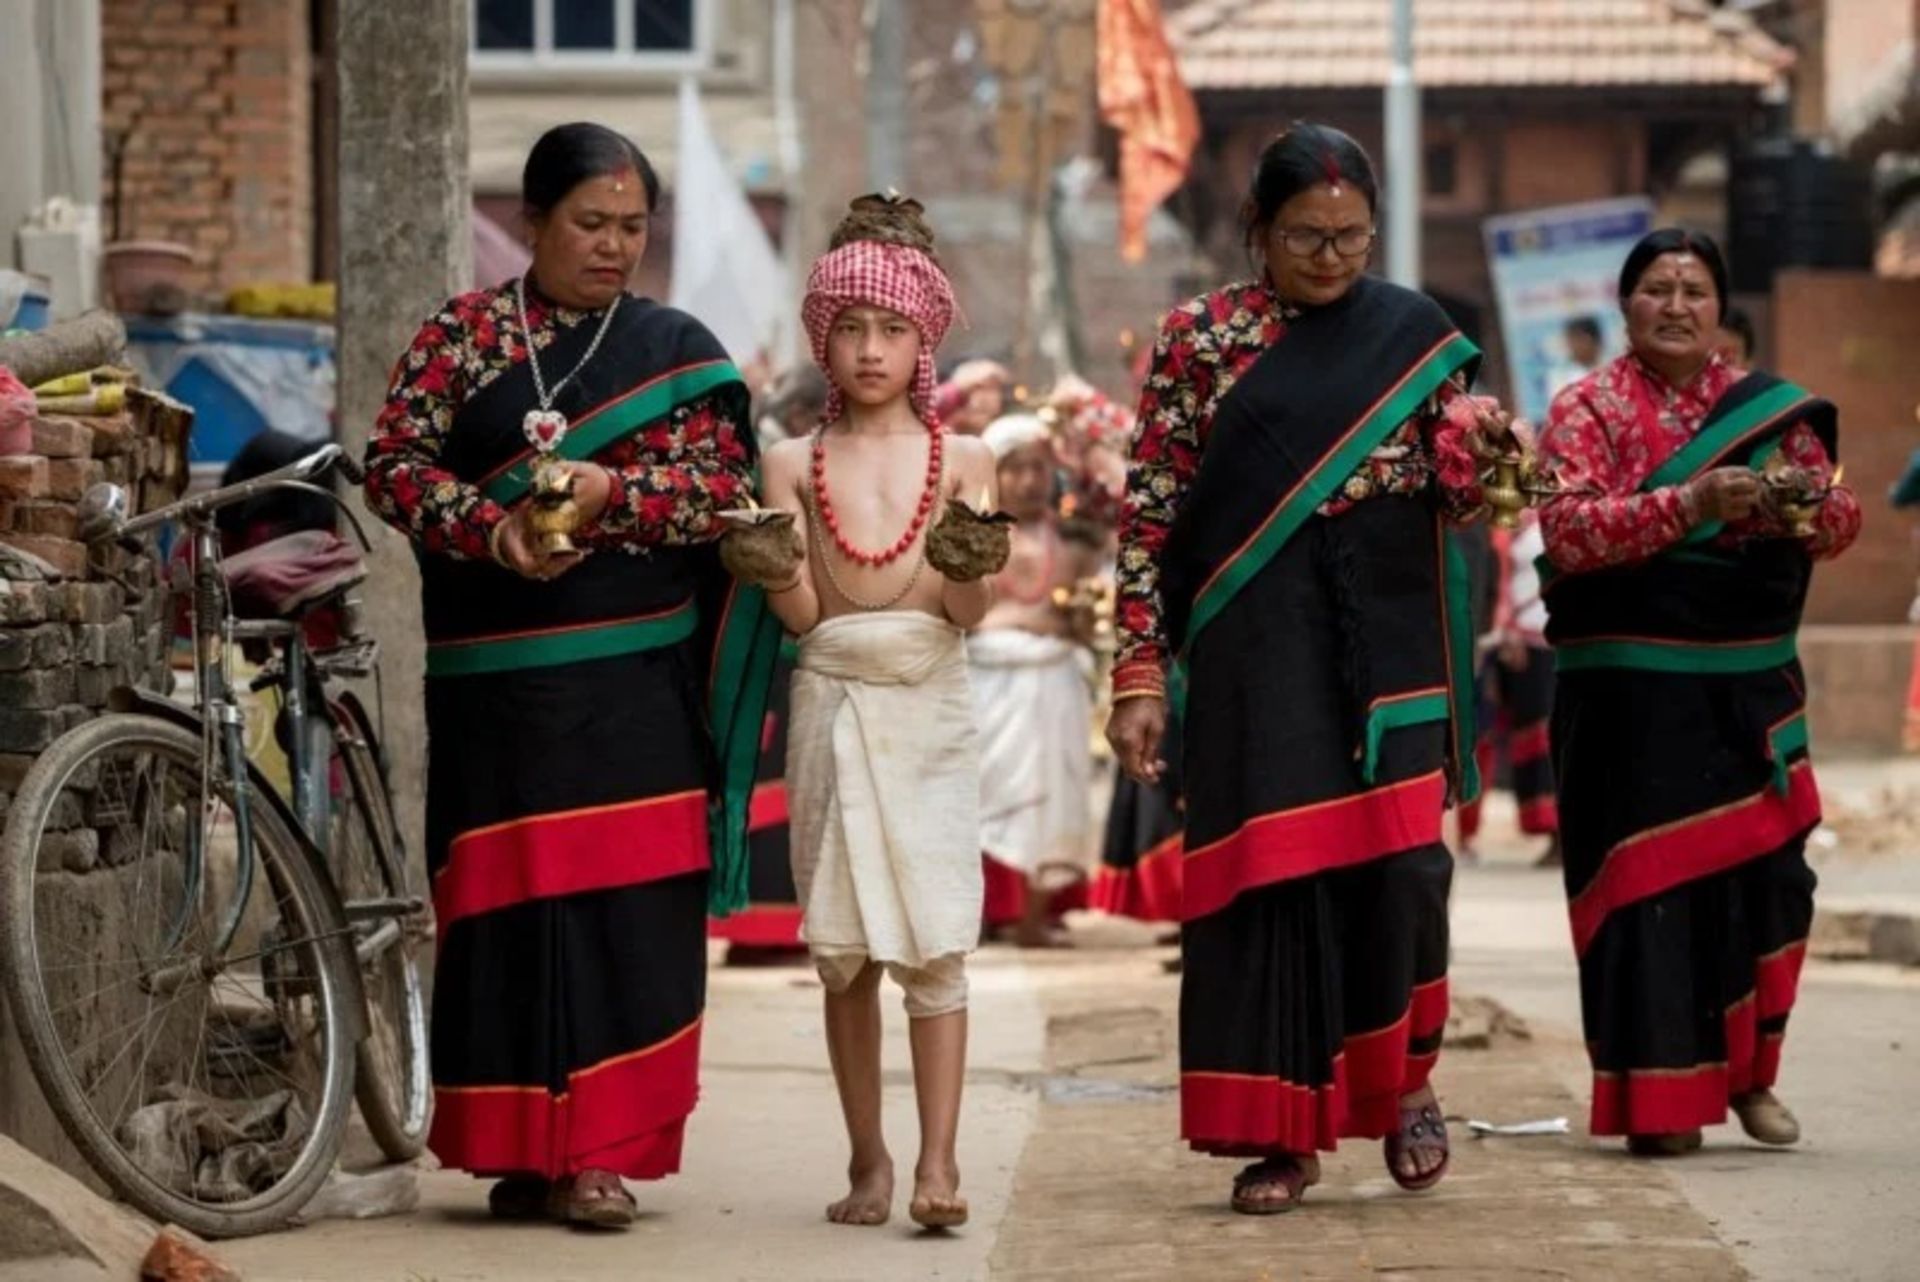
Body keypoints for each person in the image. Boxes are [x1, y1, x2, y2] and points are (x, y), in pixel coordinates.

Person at [361, 122, 778, 1228]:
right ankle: (516, 1143)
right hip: (497, 692)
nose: (612, 246)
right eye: (589, 223)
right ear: (533, 223)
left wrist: (609, 497)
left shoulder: (676, 345)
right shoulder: (462, 338)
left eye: (633, 225)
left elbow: (720, 492)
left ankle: (601, 1151)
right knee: (507, 910)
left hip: (635, 689)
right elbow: (393, 464)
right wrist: (494, 532)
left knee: (626, 909)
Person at [1104, 123, 1516, 1214]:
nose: (1332, 259)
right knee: (1269, 883)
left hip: (1389, 647)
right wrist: (1139, 672)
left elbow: (1465, 496)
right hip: (1252, 650)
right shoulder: (1198, 340)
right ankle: (1279, 1132)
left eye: (1352, 238)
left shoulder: (1415, 335)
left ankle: (1405, 1083)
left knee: (1401, 881)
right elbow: (1149, 517)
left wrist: (1485, 461)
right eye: (1305, 237)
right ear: (1257, 231)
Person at [1537, 228, 1860, 1157]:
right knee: (1648, 900)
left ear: (1721, 310)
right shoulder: (1586, 409)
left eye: (1695, 290)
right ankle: (1660, 1100)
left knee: (1772, 887)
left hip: (1747, 689)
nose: (1676, 305)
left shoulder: (1768, 412)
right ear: (1625, 302)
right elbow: (1567, 533)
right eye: (1657, 289)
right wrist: (1692, 507)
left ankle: (1753, 1078)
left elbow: (1841, 521)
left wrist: (1800, 504)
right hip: (1628, 701)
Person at [731, 192, 1000, 1231]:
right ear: (823, 340)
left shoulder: (963, 459)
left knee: (936, 942)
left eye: (892, 329)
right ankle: (868, 1160)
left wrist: (972, 567)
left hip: (929, 699)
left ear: (924, 340)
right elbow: (806, 614)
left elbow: (966, 611)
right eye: (851, 328)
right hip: (831, 695)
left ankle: (938, 1162)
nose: (871, 349)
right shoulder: (792, 463)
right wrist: (770, 571)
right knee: (841, 947)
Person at [970, 411, 1103, 947]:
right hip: (986, 684)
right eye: (1015, 468)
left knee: (1051, 796)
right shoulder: (970, 535)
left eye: (1038, 468)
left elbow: (1090, 613)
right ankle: (983, 912)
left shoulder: (1075, 541)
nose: (1028, 480)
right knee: (984, 793)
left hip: (1054, 684)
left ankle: (1035, 913)